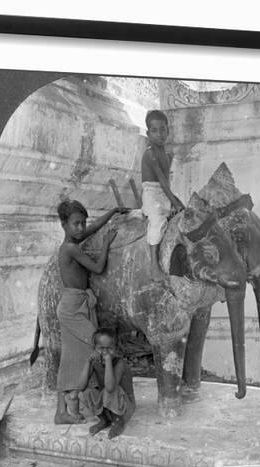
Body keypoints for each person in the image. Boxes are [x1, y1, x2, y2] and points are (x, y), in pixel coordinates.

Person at [54, 199, 127, 424]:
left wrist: (113, 211)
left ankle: (61, 413)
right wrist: (105, 244)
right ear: (64, 225)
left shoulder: (75, 240)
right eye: (76, 223)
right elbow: (97, 267)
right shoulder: (70, 248)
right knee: (97, 346)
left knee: (70, 357)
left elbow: (92, 227)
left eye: (82, 223)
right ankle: (102, 402)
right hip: (71, 308)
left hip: (78, 304)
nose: (80, 228)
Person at [141, 110, 185, 281]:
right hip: (152, 194)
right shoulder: (150, 154)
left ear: (168, 131)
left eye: (163, 130)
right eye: (154, 130)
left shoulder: (166, 155)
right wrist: (173, 201)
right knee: (158, 221)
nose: (159, 134)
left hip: (164, 193)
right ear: (148, 133)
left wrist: (176, 200)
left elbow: (166, 184)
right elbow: (160, 179)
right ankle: (154, 266)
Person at [78, 328, 135, 439]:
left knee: (109, 390)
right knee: (86, 392)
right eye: (101, 348)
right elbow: (81, 386)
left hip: (125, 406)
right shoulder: (95, 362)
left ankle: (119, 422)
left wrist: (108, 361)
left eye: (109, 349)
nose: (105, 352)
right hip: (108, 404)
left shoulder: (120, 363)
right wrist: (88, 362)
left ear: (116, 349)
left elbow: (110, 388)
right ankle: (105, 420)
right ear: (94, 349)